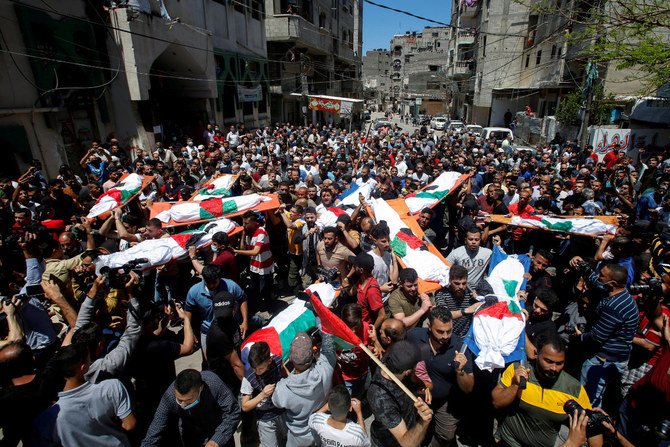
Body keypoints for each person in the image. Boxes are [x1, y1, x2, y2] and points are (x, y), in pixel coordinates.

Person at [492, 334, 601, 447]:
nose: (553, 368)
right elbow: (497, 402)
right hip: (509, 442)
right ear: (536, 354)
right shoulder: (518, 370)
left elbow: (592, 427)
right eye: (548, 361)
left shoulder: (574, 389)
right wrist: (515, 385)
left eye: (559, 363)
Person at [35, 343, 136, 446]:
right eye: (89, 358)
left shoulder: (47, 419)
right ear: (83, 367)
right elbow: (130, 425)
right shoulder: (111, 387)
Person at [571, 263, 639, 406]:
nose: (598, 277)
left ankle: (587, 422)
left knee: (588, 397)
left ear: (612, 283)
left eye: (602, 275)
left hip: (604, 360)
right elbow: (596, 281)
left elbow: (598, 337)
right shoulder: (615, 290)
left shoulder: (615, 306)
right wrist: (583, 266)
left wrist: (580, 337)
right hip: (610, 356)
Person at [407, 306, 475, 446]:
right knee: (413, 428)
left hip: (447, 402)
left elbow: (468, 388)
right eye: (440, 331)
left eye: (449, 331)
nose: (445, 336)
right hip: (417, 396)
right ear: (429, 326)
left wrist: (460, 371)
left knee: (446, 435)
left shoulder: (460, 348)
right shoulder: (413, 335)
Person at [142, 369, 240, 447]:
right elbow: (155, 429)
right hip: (191, 436)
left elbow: (233, 412)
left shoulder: (213, 384)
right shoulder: (169, 396)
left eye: (188, 400)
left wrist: (216, 440)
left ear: (200, 388)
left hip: (219, 430)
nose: (183, 405)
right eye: (179, 400)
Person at [272, 331, 336, 446]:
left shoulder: (282, 390)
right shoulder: (326, 368)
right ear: (313, 354)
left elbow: (276, 402)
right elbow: (329, 343)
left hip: (299, 438)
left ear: (290, 358)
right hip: (322, 430)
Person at [367, 340, 434, 447]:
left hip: (409, 422)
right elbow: (407, 444)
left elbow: (412, 382)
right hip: (390, 443)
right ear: (407, 371)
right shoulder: (381, 398)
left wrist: (420, 389)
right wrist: (424, 421)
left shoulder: (389, 361)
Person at [240, 341, 288, 447]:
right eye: (254, 368)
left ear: (269, 360)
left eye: (261, 368)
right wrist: (262, 395)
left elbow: (285, 374)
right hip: (265, 419)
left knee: (289, 441)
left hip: (283, 411)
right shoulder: (248, 378)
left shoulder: (277, 361)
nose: (257, 372)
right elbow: (245, 406)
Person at [235, 211, 273, 312]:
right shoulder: (248, 232)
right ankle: (259, 305)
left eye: (246, 223)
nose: (244, 225)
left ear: (254, 222)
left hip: (264, 266)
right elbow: (244, 248)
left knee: (265, 290)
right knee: (255, 289)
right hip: (254, 266)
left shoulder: (261, 232)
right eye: (243, 223)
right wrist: (243, 234)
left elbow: (255, 251)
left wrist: (236, 251)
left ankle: (270, 307)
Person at [434, 266, 481, 339]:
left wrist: (479, 298)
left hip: (467, 336)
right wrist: (466, 311)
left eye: (464, 283)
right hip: (448, 336)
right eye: (457, 283)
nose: (461, 287)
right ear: (450, 280)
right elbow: (443, 315)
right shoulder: (441, 293)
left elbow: (490, 302)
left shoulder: (472, 289)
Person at [347, 252, 386, 330]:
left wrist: (371, 331)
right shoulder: (361, 281)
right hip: (359, 323)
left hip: (365, 327)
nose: (353, 268)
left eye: (355, 266)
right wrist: (348, 276)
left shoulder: (372, 291)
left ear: (361, 270)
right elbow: (351, 292)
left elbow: (382, 315)